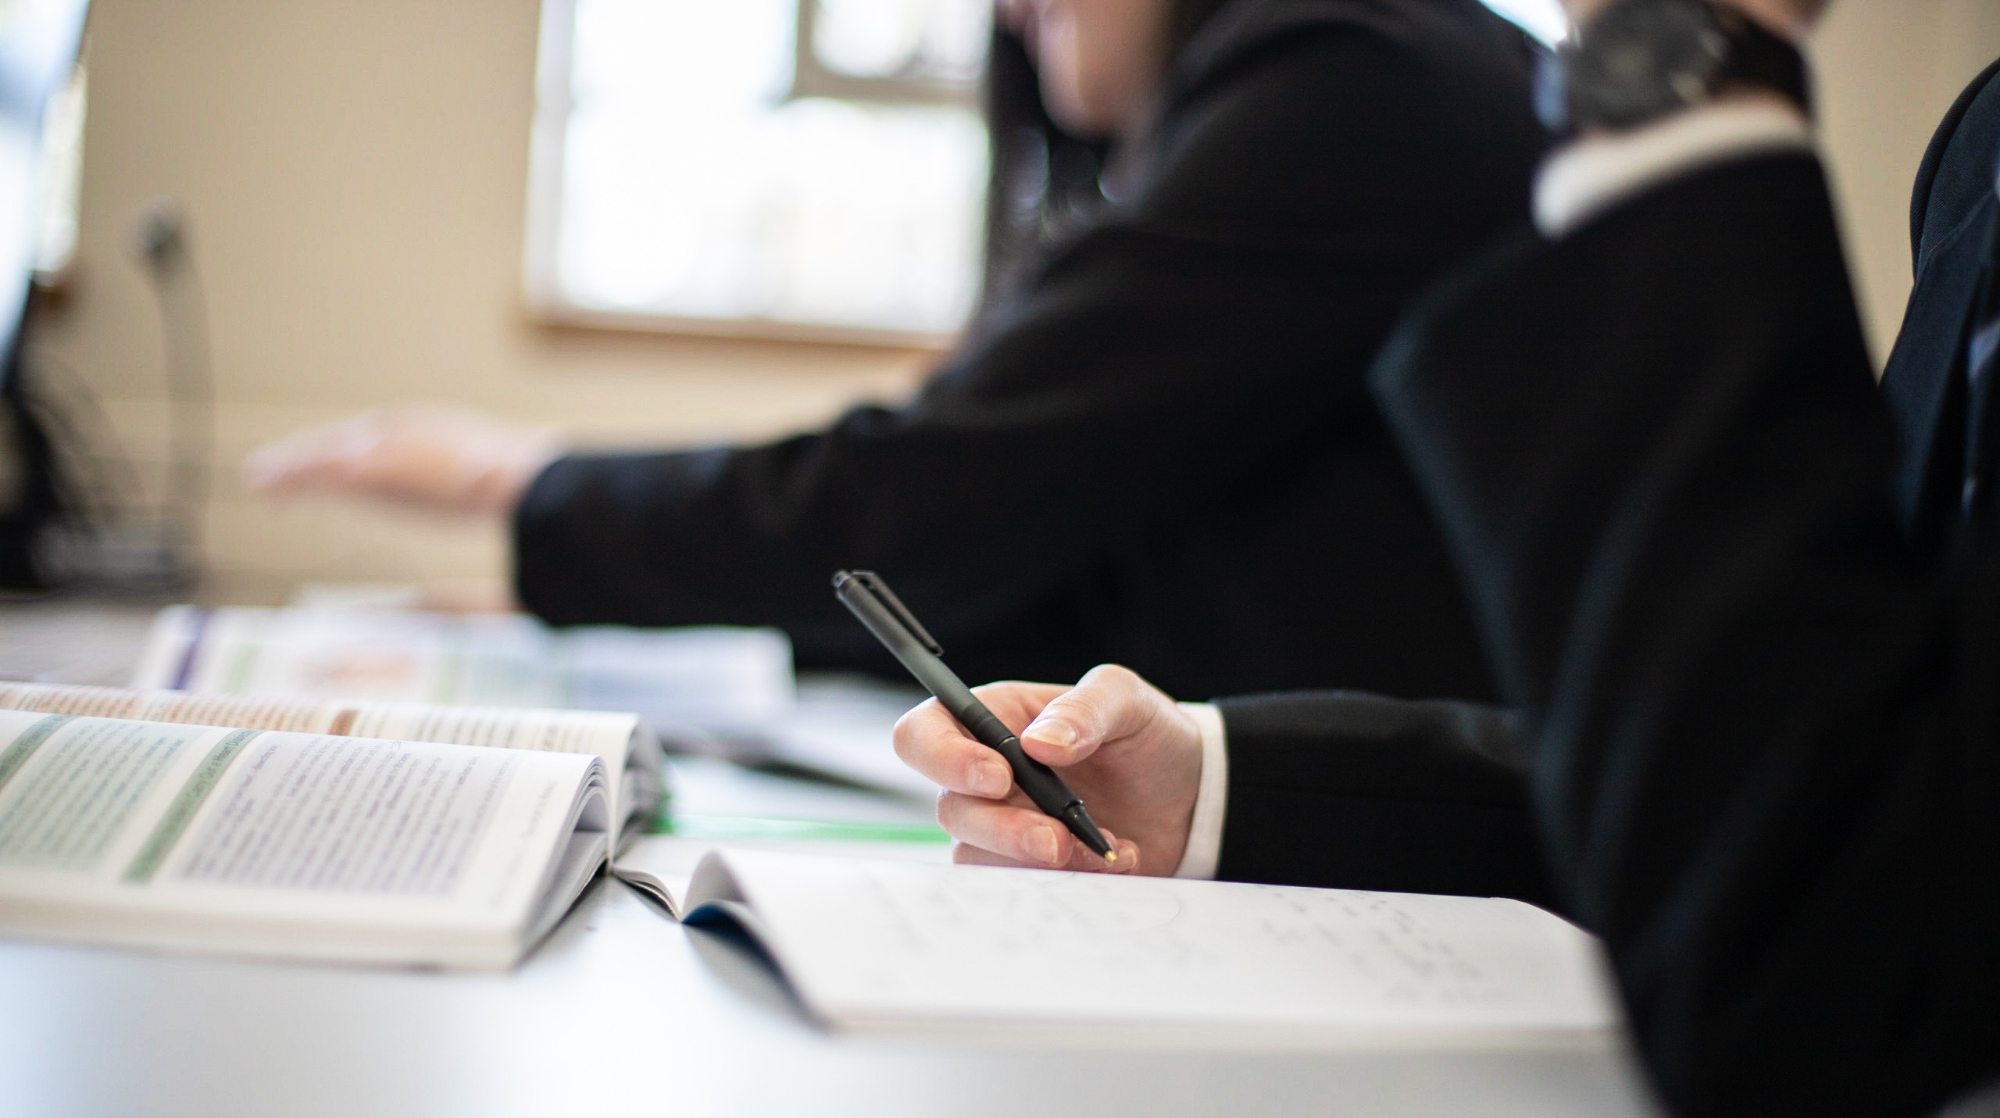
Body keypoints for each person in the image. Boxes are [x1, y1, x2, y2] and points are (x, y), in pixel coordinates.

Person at [894, 0, 2000, 1118]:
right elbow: (1845, 791)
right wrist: (1208, 783)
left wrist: (1676, 52)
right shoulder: (1979, 140)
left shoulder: (1348, 73)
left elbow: (1804, 976)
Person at [245, 0, 1548, 702]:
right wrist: (584, 626)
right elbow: (1031, 558)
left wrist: (517, 480)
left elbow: (928, 497)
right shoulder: (1311, 80)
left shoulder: (1352, 74)